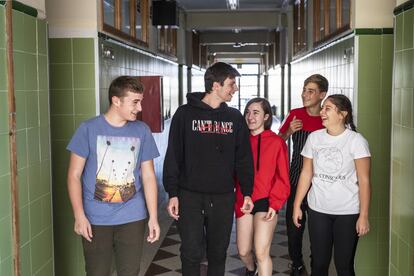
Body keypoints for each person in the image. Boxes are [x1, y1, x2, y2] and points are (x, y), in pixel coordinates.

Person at [163, 62, 254, 276]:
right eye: (231, 84)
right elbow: (174, 155)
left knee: (218, 252)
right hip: (189, 195)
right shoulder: (184, 114)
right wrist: (173, 193)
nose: (235, 89)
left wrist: (247, 192)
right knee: (191, 252)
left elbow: (243, 159)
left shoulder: (234, 118)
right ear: (215, 86)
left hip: (223, 196)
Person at [67, 76, 160, 276]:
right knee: (97, 272)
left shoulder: (142, 131)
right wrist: (79, 215)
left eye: (140, 101)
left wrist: (153, 216)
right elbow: (74, 175)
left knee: (130, 272)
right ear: (116, 101)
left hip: (132, 217)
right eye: (135, 102)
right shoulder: (88, 129)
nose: (140, 108)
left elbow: (149, 176)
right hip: (95, 218)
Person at [292, 94, 371, 276]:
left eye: (327, 108)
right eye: (323, 108)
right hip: (318, 209)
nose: (322, 112)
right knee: (319, 264)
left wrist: (364, 216)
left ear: (342, 114)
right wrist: (297, 205)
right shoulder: (314, 138)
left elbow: (364, 180)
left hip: (348, 212)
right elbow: (306, 173)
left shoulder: (356, 141)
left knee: (344, 266)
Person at [278, 74, 328, 275]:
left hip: (321, 182)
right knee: (294, 227)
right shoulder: (295, 114)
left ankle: (317, 264)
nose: (305, 94)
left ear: (322, 94)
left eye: (311, 91)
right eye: (304, 90)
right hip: (296, 177)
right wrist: (288, 131)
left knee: (319, 229)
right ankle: (297, 264)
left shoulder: (328, 116)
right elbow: (278, 142)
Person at [235, 98, 290, 276]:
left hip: (266, 201)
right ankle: (252, 270)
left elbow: (283, 177)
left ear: (266, 116)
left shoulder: (276, 142)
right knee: (244, 251)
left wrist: (275, 204)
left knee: (261, 251)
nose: (250, 117)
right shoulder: (239, 142)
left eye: (256, 112)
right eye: (247, 112)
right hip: (243, 200)